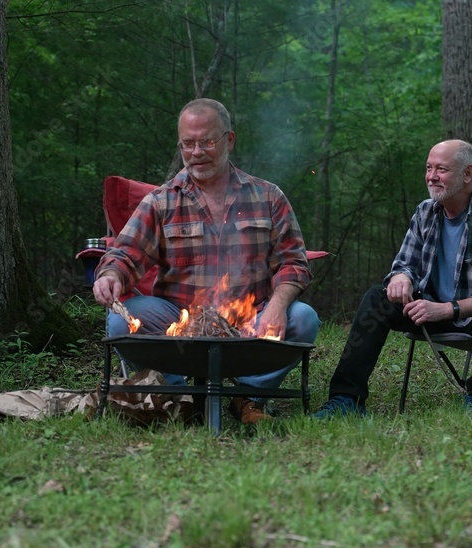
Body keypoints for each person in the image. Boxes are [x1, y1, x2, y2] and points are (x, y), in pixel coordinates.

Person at [93, 98, 320, 424]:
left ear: (229, 140)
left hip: (249, 322)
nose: (197, 152)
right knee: (119, 324)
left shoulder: (267, 196)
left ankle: (248, 398)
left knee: (304, 318)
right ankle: (182, 400)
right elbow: (126, 253)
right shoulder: (161, 201)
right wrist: (112, 275)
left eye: (207, 142)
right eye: (188, 143)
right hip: (180, 323)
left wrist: (277, 305)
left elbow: (293, 262)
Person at [313, 139, 472, 418]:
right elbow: (405, 263)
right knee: (376, 298)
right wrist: (401, 277)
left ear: (467, 174)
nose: (431, 176)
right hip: (433, 308)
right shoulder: (425, 211)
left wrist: (447, 308)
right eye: (429, 168)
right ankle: (346, 399)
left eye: (441, 169)